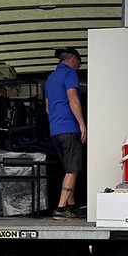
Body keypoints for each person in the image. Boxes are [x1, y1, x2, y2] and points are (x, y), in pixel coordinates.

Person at [44, 47, 87, 220]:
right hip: (69, 128)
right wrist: (82, 124)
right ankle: (60, 209)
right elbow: (73, 99)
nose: (78, 65)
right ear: (71, 58)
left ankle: (71, 206)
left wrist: (56, 121)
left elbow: (47, 108)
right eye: (79, 61)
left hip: (56, 129)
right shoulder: (69, 73)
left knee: (69, 169)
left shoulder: (50, 78)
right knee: (73, 169)